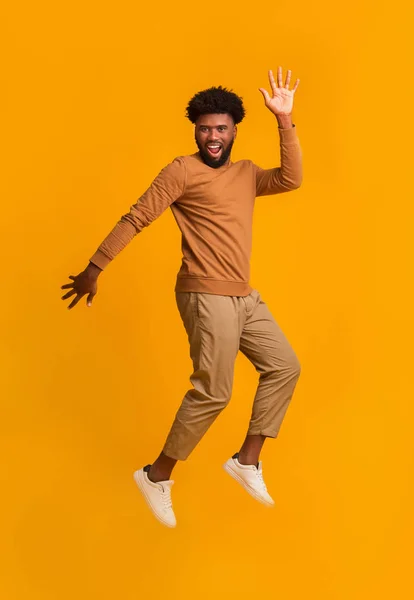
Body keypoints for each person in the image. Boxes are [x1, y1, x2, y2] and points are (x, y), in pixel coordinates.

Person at [61, 66, 302, 528]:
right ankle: (157, 475)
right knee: (214, 391)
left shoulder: (248, 174)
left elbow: (291, 179)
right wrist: (95, 268)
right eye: (205, 128)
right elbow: (136, 217)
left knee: (285, 366)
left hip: (243, 296)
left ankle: (247, 461)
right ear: (196, 130)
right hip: (204, 293)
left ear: (234, 132)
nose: (213, 137)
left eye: (222, 129)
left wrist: (284, 120)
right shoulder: (181, 171)